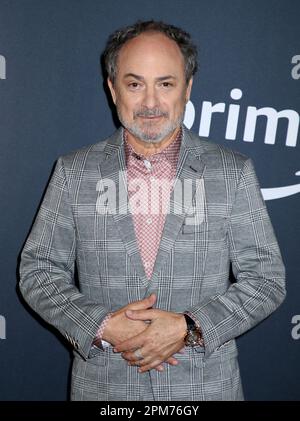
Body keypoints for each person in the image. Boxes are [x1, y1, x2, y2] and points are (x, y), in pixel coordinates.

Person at [19, 20, 286, 401]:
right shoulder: (73, 172)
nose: (149, 103)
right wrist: (102, 325)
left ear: (188, 88)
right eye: (134, 84)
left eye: (165, 83)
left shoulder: (232, 172)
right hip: (105, 391)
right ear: (112, 89)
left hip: (204, 390)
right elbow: (38, 270)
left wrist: (189, 328)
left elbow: (266, 280)